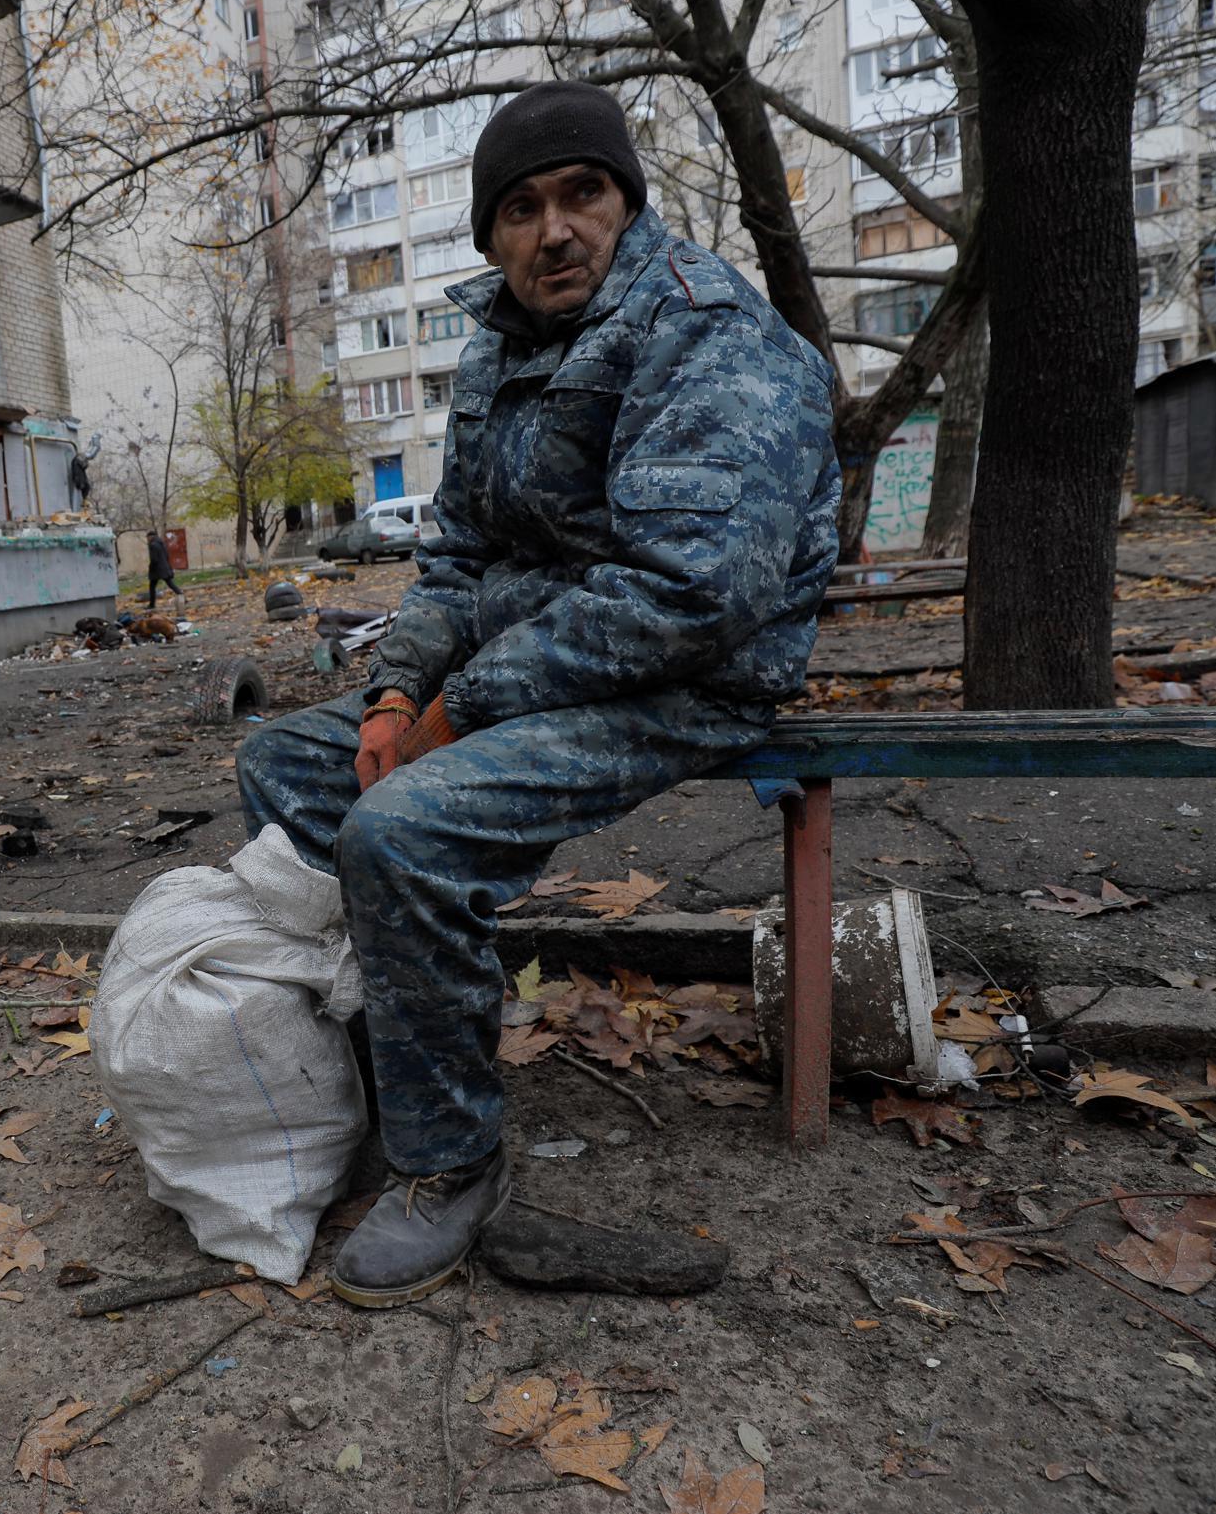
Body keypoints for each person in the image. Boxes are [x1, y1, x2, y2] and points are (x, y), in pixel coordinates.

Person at [236, 82, 839, 1308]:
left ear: (624, 201)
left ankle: (450, 1162)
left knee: (400, 832)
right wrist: (401, 694)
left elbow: (693, 594)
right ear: (489, 235)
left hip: (688, 677)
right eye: (518, 209)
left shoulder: (702, 327)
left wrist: (467, 708)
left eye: (581, 194)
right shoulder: (502, 347)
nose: (552, 230)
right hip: (534, 667)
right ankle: (371, 1077)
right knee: (288, 766)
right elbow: (456, 558)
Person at [145, 529, 187, 610]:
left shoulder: (152, 545)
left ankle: (152, 604)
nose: (147, 539)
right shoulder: (161, 543)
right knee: (170, 584)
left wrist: (151, 567)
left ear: (150, 537)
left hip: (157, 569)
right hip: (164, 567)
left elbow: (154, 559)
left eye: (147, 537)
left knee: (152, 586)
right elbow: (167, 555)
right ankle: (183, 597)